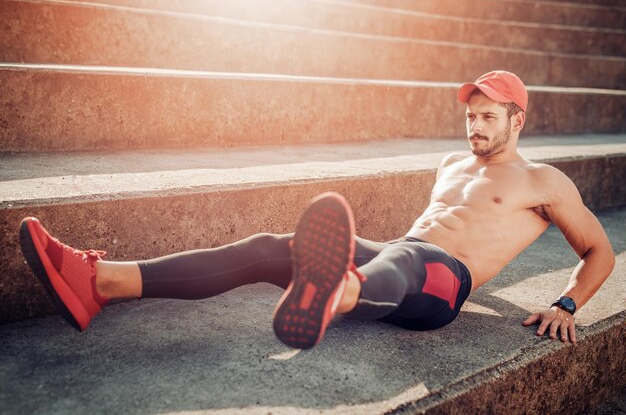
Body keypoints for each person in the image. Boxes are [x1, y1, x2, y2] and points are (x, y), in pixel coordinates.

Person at [19, 70, 615, 349]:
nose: (475, 126)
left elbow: (600, 251)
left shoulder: (545, 181)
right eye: (470, 115)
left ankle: (336, 293)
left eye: (489, 117)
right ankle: (99, 281)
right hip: (395, 264)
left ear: (518, 118)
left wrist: (566, 303)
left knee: (409, 257)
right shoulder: (451, 166)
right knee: (268, 247)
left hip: (441, 284)